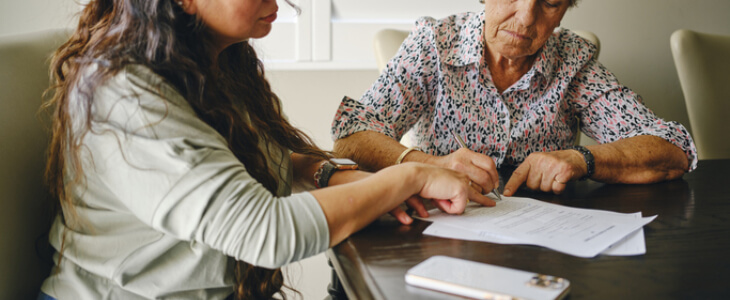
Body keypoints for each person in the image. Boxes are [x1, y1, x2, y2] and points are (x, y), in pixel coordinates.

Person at [37, 0, 495, 299]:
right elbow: (265, 232)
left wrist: (340, 176)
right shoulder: (126, 94)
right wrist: (409, 175)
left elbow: (271, 156)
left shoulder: (211, 62)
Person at [331, 0, 697, 197]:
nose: (525, 17)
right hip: (442, 232)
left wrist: (581, 158)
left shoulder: (574, 61)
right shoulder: (434, 44)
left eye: (550, 2)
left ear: (565, 10)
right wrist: (430, 164)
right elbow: (351, 134)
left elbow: (673, 149)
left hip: (546, 244)